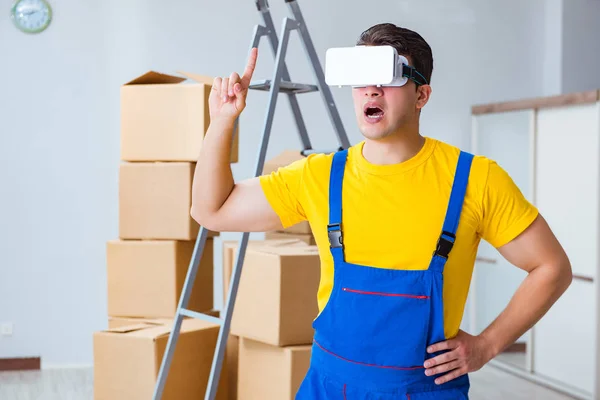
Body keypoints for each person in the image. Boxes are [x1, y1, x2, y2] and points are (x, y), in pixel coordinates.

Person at [191, 23, 572, 399]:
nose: (372, 89)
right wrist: (222, 121)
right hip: (328, 387)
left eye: (388, 76)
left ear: (422, 95)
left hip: (424, 391)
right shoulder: (319, 176)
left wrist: (488, 345)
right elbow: (213, 211)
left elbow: (552, 268)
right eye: (361, 78)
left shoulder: (475, 180)